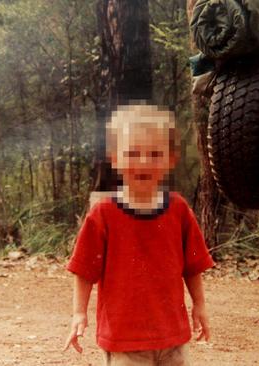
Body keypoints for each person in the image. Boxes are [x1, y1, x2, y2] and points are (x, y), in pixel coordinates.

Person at [63, 103, 215, 365]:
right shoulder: (103, 215)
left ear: (170, 159)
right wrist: (79, 313)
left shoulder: (178, 210)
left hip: (172, 338)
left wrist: (199, 305)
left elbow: (193, 266)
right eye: (133, 153)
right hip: (125, 340)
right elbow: (84, 269)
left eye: (155, 153)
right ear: (115, 158)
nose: (144, 161)